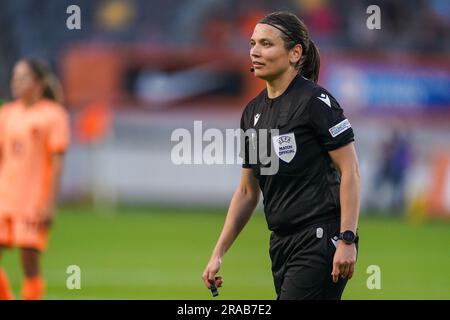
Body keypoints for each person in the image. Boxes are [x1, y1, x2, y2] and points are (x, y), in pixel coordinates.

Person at [202, 11, 360, 300]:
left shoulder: (315, 101)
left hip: (321, 238)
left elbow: (350, 170)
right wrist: (218, 253)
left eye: (266, 44)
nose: (255, 52)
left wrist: (347, 239)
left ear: (294, 53)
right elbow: (249, 191)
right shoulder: (253, 113)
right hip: (281, 245)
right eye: (252, 43)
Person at [0, 59, 70, 300]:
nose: (15, 82)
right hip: (4, 197)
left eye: (23, 77)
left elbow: (58, 161)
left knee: (29, 260)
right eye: (14, 77)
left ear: (38, 84)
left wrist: (50, 203)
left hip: (32, 200)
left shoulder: (54, 115)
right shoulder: (6, 114)